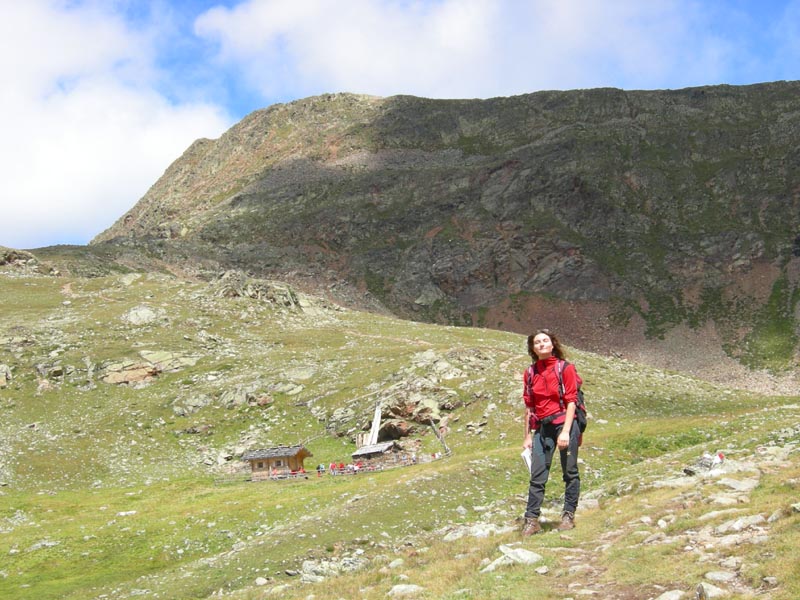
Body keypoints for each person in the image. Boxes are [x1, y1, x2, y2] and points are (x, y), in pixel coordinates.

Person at [521, 328, 581, 535]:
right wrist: (527, 436)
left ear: (552, 344)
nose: (541, 344)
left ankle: (568, 516)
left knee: (570, 471)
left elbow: (571, 401)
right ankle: (531, 520)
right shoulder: (530, 373)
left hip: (564, 423)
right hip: (542, 427)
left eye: (545, 341)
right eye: (537, 342)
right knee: (537, 475)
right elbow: (529, 407)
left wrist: (565, 431)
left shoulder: (565, 368)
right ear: (533, 348)